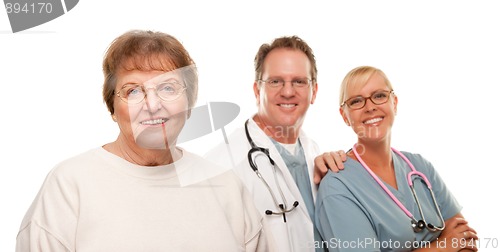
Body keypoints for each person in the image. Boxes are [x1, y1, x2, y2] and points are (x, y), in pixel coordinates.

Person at [16, 30, 275, 252]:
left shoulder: (226, 187)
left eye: (168, 88)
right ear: (112, 107)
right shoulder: (69, 186)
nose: (152, 105)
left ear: (189, 103)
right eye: (133, 91)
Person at [205, 35, 346, 252]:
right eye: (275, 81)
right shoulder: (221, 165)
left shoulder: (313, 152)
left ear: (314, 92)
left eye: (299, 81)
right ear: (256, 90)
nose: (288, 92)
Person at [315, 66, 478, 251]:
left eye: (379, 96)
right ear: (345, 116)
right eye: (356, 101)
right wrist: (441, 246)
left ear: (394, 103)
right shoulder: (337, 186)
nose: (370, 107)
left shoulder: (420, 167)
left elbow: (465, 237)